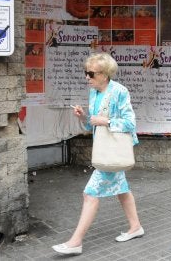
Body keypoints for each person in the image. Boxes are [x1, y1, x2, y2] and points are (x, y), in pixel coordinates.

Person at [52, 53, 143, 255]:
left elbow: (130, 123)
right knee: (122, 191)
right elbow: (91, 123)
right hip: (105, 149)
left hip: (113, 150)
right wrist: (84, 116)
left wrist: (107, 121)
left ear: (104, 74)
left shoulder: (119, 91)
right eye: (86, 73)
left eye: (91, 73)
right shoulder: (94, 93)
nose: (87, 77)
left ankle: (75, 242)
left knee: (90, 194)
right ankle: (135, 227)